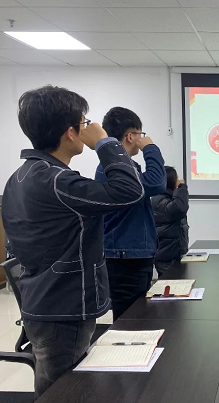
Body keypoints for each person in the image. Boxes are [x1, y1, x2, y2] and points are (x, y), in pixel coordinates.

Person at [2, 86, 144, 396]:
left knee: (55, 386)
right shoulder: (57, 181)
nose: (88, 129)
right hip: (63, 306)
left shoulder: (22, 176)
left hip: (44, 301)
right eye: (84, 123)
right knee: (63, 394)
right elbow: (129, 191)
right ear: (70, 132)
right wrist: (105, 142)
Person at [95, 107, 166, 321]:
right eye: (140, 134)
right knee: (130, 320)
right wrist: (151, 148)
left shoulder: (121, 166)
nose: (142, 139)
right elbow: (156, 182)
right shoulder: (114, 168)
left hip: (129, 254)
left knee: (137, 317)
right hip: (124, 259)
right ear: (130, 136)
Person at [152, 166, 190, 276]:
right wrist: (182, 187)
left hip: (175, 255)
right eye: (176, 178)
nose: (179, 180)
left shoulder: (169, 198)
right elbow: (179, 209)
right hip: (167, 259)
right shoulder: (160, 200)